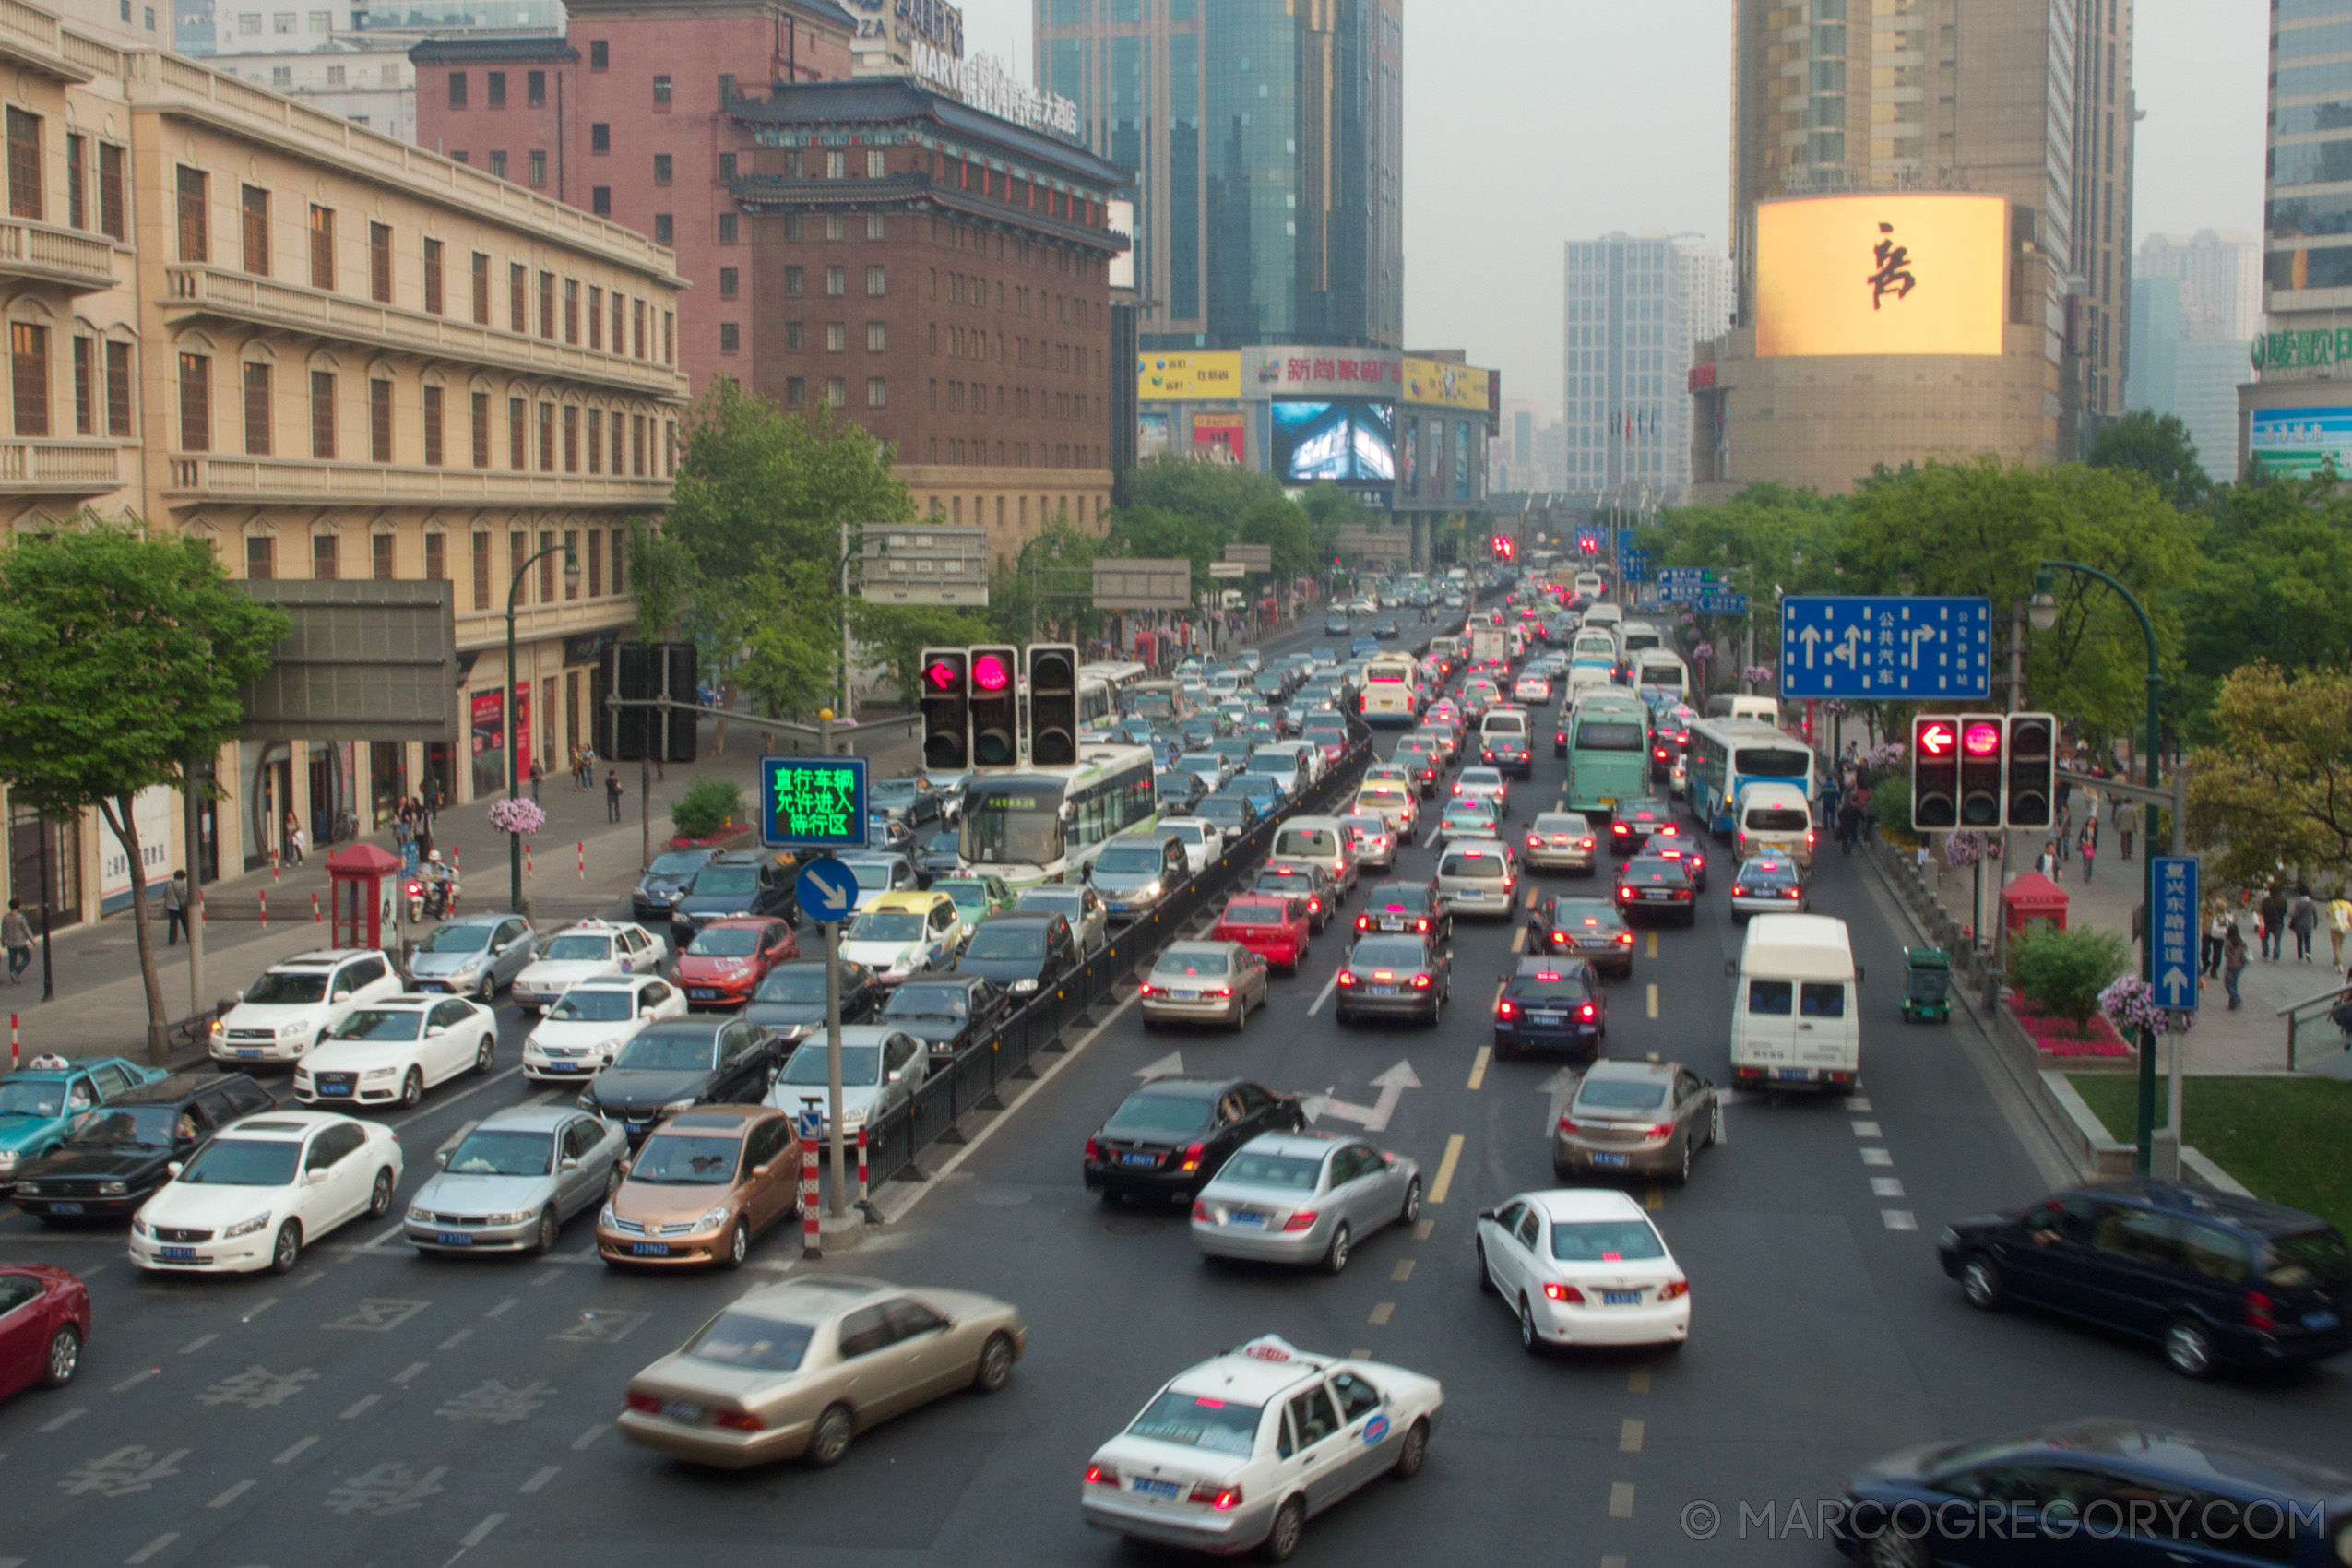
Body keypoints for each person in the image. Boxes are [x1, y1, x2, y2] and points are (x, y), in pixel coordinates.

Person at [2, 898, 31, 985]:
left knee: (12, 960)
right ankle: (16, 972)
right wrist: (32, 941)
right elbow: (26, 930)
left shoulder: (5, 917)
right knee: (27, 957)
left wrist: (3, 941)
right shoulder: (20, 917)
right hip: (20, 942)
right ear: (18, 906)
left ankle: (13, 976)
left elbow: (3, 930)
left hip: (10, 943)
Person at [2222, 923, 2250, 1010]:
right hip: (2240, 965)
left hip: (2231, 965)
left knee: (2228, 984)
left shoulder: (2229, 941)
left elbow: (2227, 954)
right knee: (2234, 984)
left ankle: (2236, 997)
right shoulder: (2241, 940)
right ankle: (2232, 1005)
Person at [2261, 884, 2289, 962]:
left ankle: (2265, 953)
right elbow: (2285, 911)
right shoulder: (2282, 900)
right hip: (2278, 922)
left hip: (2267, 922)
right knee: (2277, 940)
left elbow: (2262, 911)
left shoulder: (2266, 900)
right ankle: (2276, 955)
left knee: (2265, 938)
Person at [2290, 888, 2319, 963]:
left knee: (2299, 941)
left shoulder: (2298, 904)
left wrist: (2292, 921)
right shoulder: (2312, 904)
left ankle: (2300, 957)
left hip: (2299, 925)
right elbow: (2315, 915)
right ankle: (2308, 953)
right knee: (2307, 940)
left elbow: (2295, 915)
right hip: (2308, 925)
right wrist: (2315, 924)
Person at [162, 870, 189, 948]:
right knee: (185, 922)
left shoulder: (169, 884)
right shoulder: (183, 885)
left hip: (171, 907)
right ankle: (189, 937)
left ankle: (172, 940)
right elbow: (185, 895)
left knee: (173, 924)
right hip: (181, 906)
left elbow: (164, 894)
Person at [2332, 891, 2352, 971]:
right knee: (2340, 944)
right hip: (2344, 927)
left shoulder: (2333, 903)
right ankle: (2336, 959)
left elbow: (2328, 913)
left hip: (2334, 927)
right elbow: (2350, 917)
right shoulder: (2348, 904)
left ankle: (2339, 962)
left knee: (2335, 945)